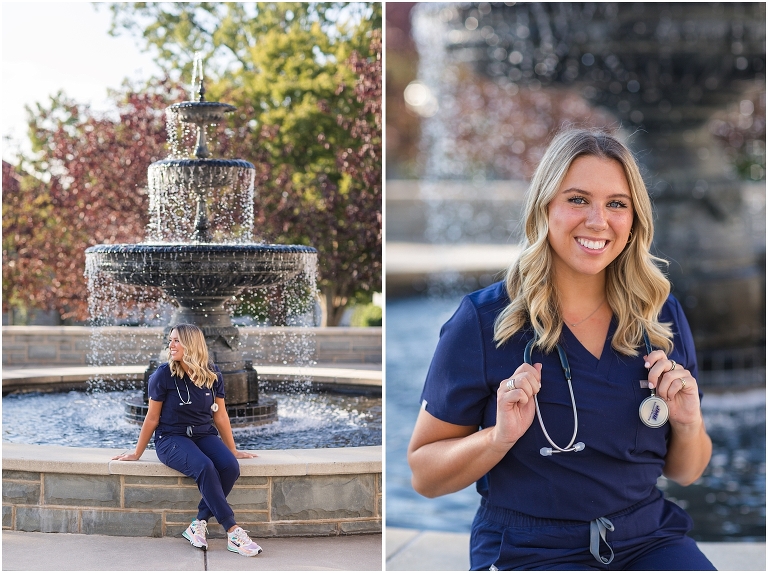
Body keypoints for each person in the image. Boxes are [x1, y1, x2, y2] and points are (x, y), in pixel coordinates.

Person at [408, 129, 716, 570]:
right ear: (544, 206)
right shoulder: (483, 321)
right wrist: (498, 438)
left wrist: (688, 422)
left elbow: (687, 471)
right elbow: (425, 475)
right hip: (530, 548)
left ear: (634, 219)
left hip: (648, 539)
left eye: (616, 204)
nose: (598, 221)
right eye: (577, 199)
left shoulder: (660, 317)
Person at [113, 323, 263, 557]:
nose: (171, 345)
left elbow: (220, 415)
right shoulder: (163, 375)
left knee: (230, 467)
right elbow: (151, 418)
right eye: (170, 340)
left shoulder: (212, 374)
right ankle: (233, 530)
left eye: (176, 341)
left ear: (191, 344)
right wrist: (137, 453)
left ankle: (198, 522)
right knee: (204, 466)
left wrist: (232, 449)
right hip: (171, 438)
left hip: (203, 434)